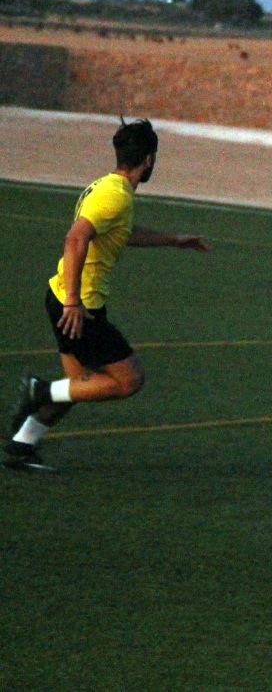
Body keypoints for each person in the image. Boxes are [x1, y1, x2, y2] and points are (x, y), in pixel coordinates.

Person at [6, 118, 211, 472]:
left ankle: (21, 445)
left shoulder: (110, 189)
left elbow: (121, 232)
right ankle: (39, 391)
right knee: (129, 380)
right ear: (149, 160)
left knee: (78, 385)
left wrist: (174, 240)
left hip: (62, 298)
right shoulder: (114, 195)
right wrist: (74, 301)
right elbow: (75, 237)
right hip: (78, 306)